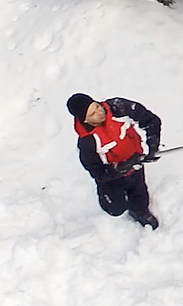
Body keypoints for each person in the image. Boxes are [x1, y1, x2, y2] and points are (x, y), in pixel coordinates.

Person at [66, 92, 162, 229]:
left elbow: (151, 121)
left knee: (139, 192)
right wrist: (119, 169)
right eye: (92, 114)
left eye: (97, 106)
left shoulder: (118, 108)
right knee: (115, 209)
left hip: (135, 162)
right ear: (85, 120)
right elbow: (96, 171)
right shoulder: (87, 142)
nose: (100, 113)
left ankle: (139, 212)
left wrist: (152, 145)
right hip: (112, 176)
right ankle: (106, 197)